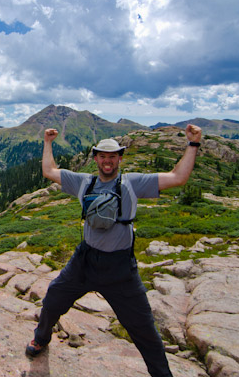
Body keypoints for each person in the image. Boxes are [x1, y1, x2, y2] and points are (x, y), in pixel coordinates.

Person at [26, 124, 203, 377]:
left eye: (112, 156)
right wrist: (47, 142)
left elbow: (178, 177)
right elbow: (49, 171)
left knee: (143, 328)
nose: (107, 161)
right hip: (85, 261)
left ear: (119, 158)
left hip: (120, 269)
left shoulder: (132, 183)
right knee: (54, 297)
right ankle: (40, 339)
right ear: (96, 158)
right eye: (102, 156)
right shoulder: (83, 182)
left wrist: (193, 144)